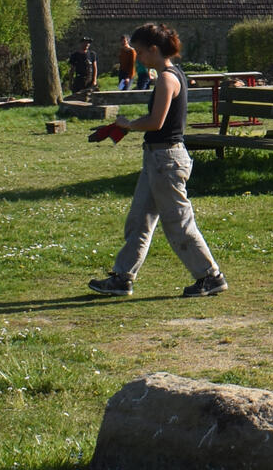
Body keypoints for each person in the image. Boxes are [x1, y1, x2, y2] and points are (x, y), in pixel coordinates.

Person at [88, 22, 228, 299]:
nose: (138, 58)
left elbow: (156, 122)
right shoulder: (170, 75)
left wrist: (127, 125)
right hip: (156, 158)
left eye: (140, 52)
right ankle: (122, 278)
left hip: (167, 160)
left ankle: (211, 277)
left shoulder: (167, 78)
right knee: (139, 220)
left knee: (178, 223)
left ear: (154, 49)